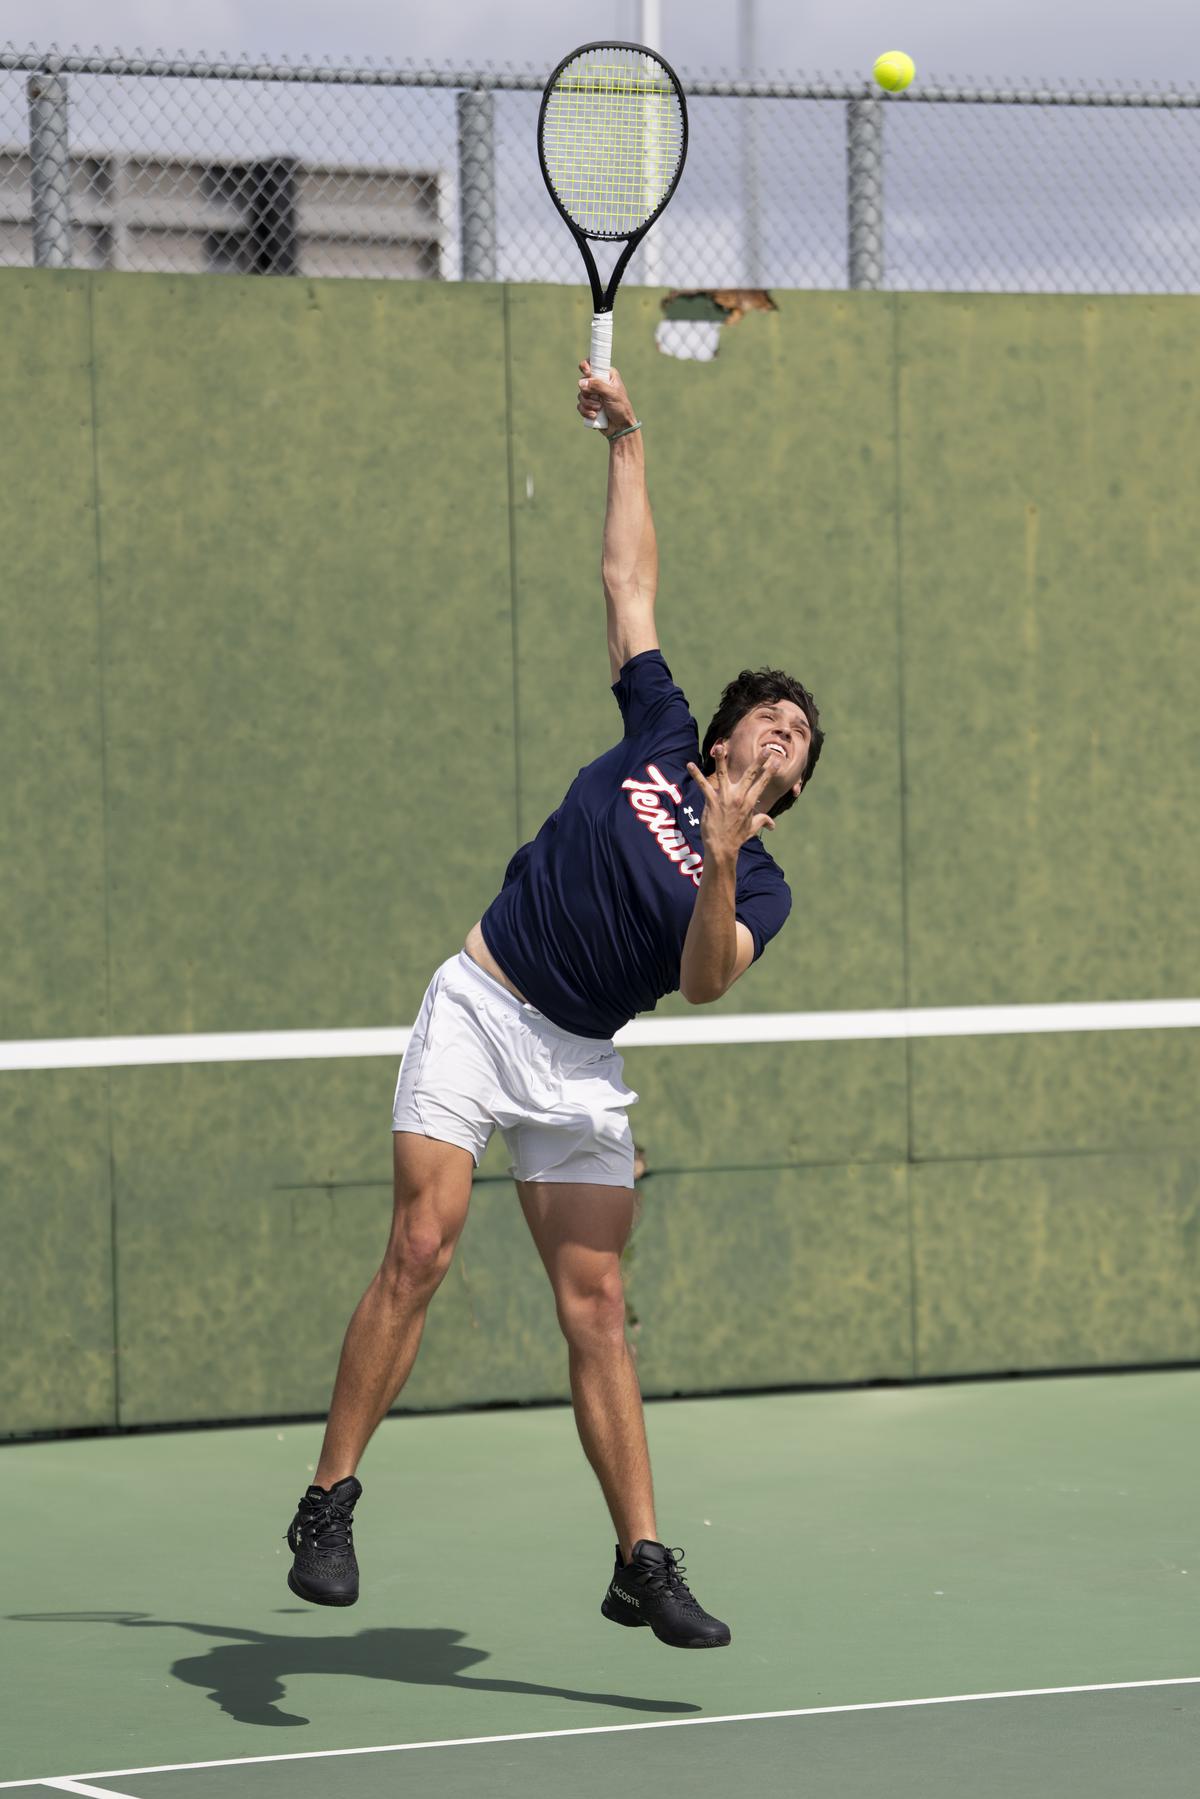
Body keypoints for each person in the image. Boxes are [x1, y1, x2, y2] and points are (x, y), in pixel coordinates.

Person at [284, 361, 824, 1650]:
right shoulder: (656, 733)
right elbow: (629, 584)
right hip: (482, 1004)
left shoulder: (767, 886)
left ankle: (641, 1559)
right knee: (422, 1246)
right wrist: (627, 435)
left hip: (579, 1062)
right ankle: (327, 1504)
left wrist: (728, 849)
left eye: (804, 740)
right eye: (776, 717)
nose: (787, 733)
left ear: (793, 790)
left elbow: (699, 983)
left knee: (596, 1308)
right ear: (727, 729)